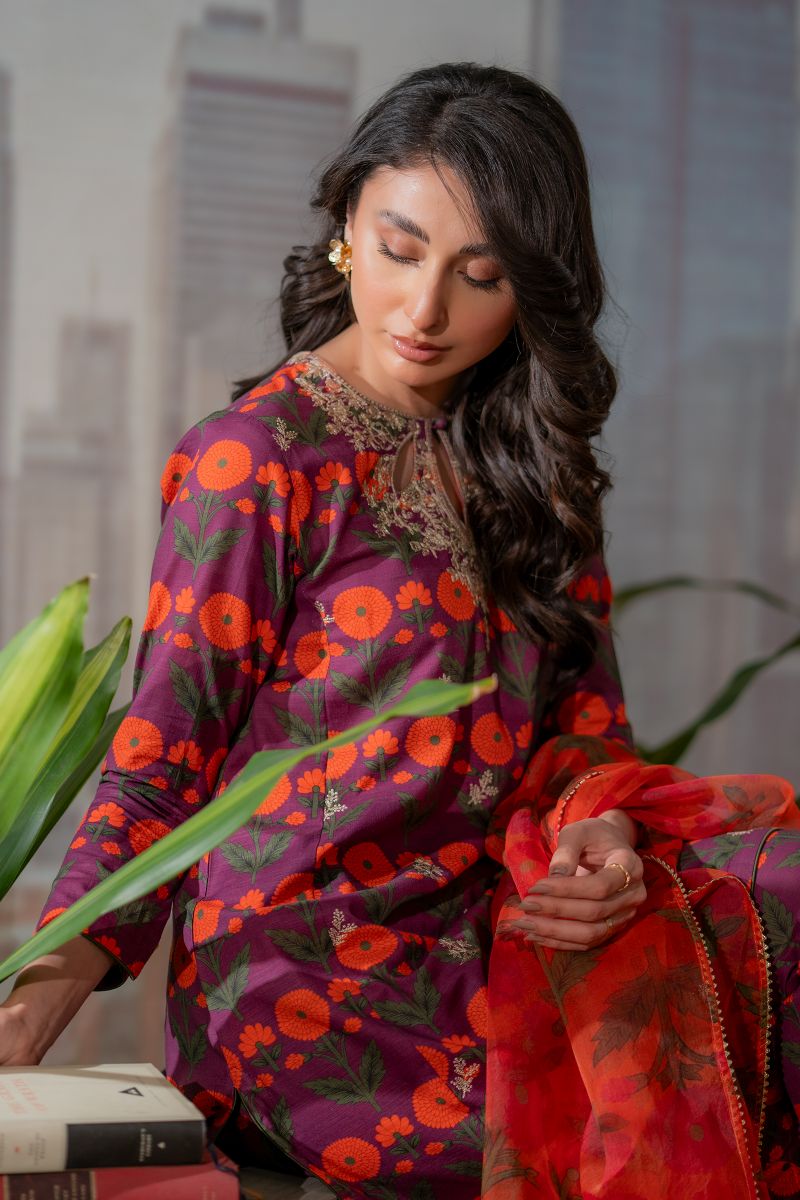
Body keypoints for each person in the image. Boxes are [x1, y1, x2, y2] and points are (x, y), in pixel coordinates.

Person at [1, 62, 798, 1199]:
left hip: (501, 930)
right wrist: (31, 1007)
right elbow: (162, 762)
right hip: (305, 981)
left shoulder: (539, 470)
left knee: (774, 923)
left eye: (481, 276)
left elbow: (589, 728)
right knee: (609, 1120)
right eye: (399, 250)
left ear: (533, 287)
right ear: (345, 229)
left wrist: (605, 841)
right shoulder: (256, 459)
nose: (425, 312)